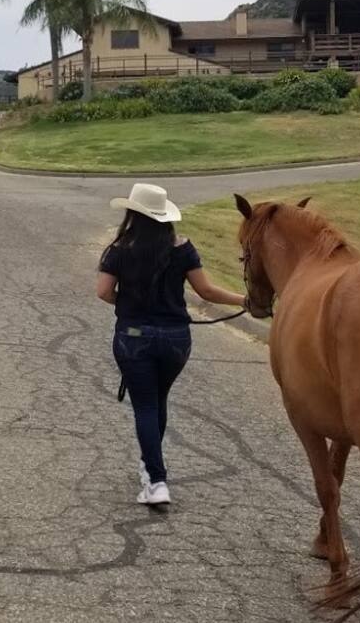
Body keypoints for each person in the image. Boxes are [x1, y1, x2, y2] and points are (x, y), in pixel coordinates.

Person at [96, 183, 247, 506]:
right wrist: (247, 300)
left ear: (133, 214)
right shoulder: (182, 247)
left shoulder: (120, 249)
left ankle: (156, 479)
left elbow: (104, 291)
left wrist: (129, 303)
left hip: (134, 337)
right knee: (158, 400)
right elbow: (207, 291)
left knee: (146, 405)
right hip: (176, 338)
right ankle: (150, 468)